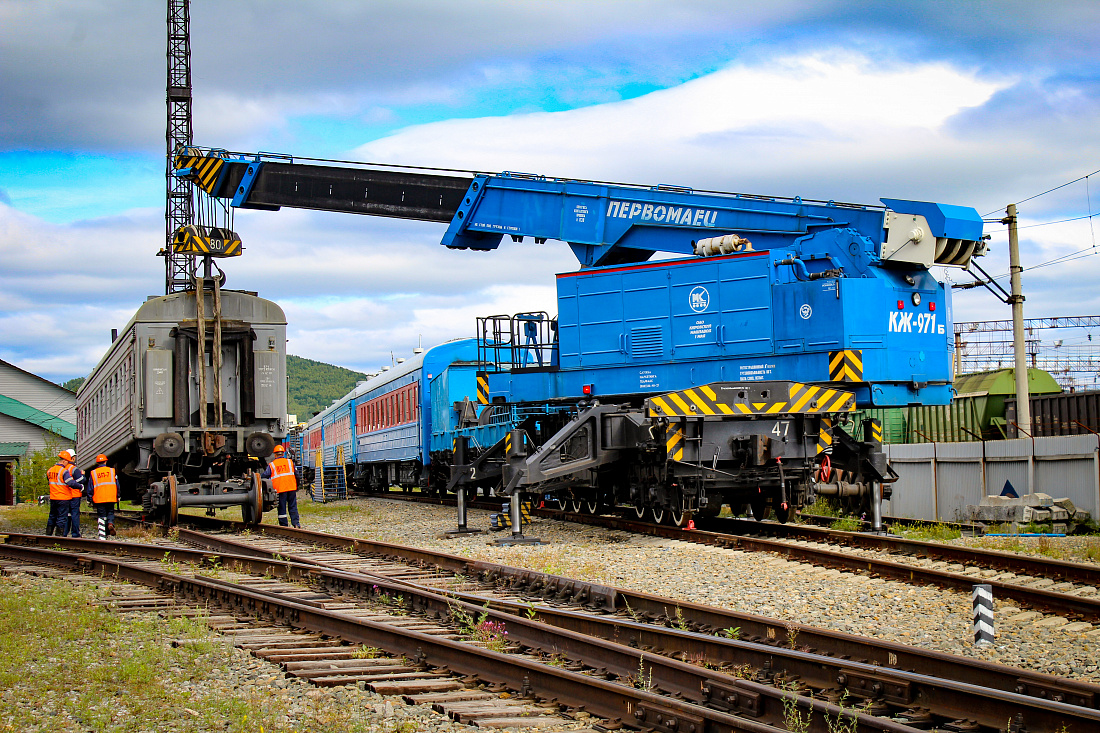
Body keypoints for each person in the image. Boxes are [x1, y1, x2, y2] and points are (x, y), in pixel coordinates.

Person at [263, 445, 300, 527]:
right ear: (283, 453)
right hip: (291, 488)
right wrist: (297, 485)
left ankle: (284, 525)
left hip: (280, 489)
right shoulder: (290, 462)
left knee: (281, 508)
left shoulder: (272, 465)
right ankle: (296, 523)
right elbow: (297, 475)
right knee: (293, 506)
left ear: (275, 454)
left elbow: (265, 475)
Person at [88, 454, 117, 539]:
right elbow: (117, 484)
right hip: (111, 496)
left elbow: (90, 487)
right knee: (110, 512)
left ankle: (102, 536)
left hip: (99, 498)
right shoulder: (112, 471)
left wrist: (90, 498)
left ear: (97, 463)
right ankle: (110, 523)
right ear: (106, 461)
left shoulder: (93, 473)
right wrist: (118, 495)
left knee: (102, 516)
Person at [45, 450, 73, 536]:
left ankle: (48, 534)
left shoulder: (50, 470)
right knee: (62, 517)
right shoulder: (64, 471)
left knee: (52, 516)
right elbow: (70, 483)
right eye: (67, 462)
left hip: (53, 497)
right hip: (63, 498)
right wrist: (80, 486)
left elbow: (49, 481)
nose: (67, 464)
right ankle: (58, 536)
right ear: (64, 461)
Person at [62, 454, 85, 537]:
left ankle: (64, 533)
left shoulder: (62, 468)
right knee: (74, 514)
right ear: (72, 458)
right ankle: (75, 533)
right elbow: (81, 480)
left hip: (65, 495)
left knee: (66, 514)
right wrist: (83, 475)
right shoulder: (73, 469)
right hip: (75, 495)